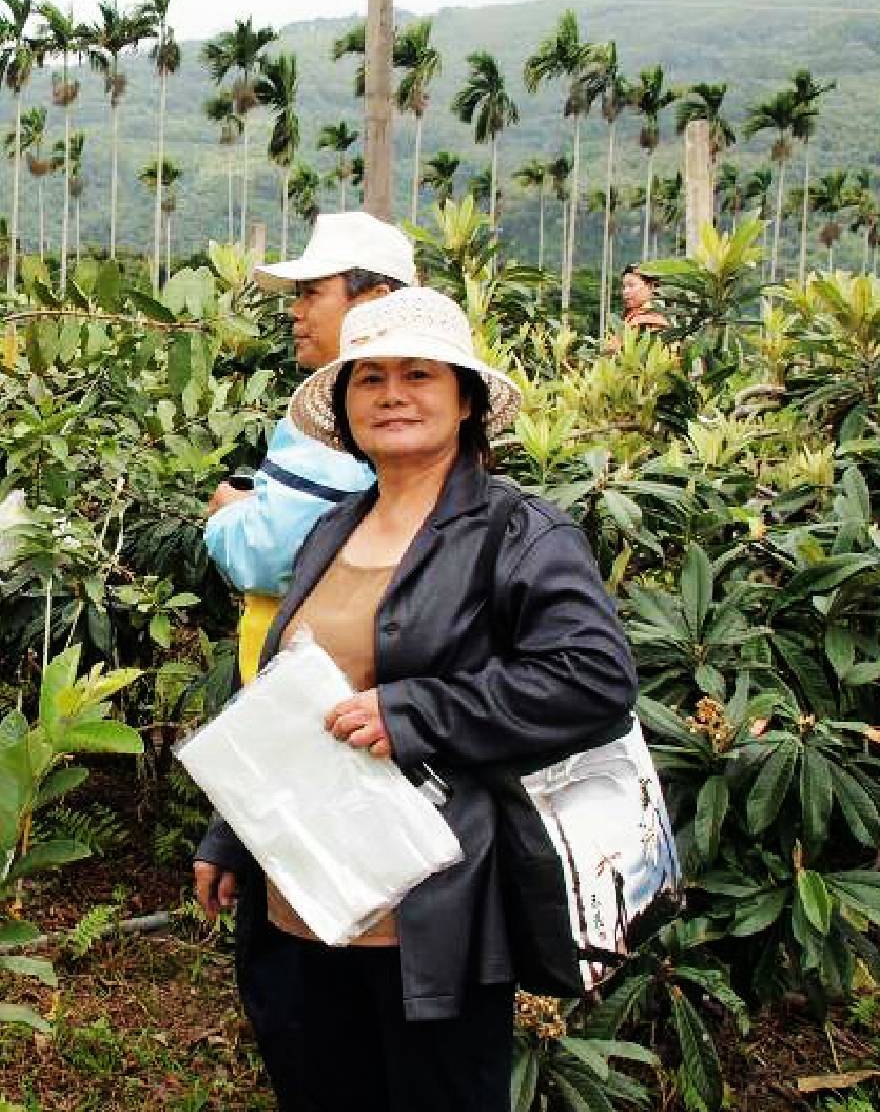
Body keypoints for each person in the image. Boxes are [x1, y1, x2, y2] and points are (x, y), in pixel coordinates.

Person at [192, 287, 639, 1111]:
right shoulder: (334, 529)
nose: (392, 394)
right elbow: (294, 698)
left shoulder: (519, 535)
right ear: (345, 405)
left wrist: (415, 712)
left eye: (419, 375)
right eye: (369, 379)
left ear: (466, 401)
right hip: (302, 907)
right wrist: (232, 832)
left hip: (432, 923)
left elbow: (595, 677)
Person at [206, 211, 417, 685]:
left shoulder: (351, 415)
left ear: (374, 301)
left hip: (307, 674)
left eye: (312, 293)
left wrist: (225, 511)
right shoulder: (399, 411)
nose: (295, 312)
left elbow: (268, 554)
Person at [619, 264, 670, 332]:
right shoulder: (632, 313)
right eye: (624, 287)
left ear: (651, 287)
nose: (625, 291)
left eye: (631, 285)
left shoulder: (654, 319)